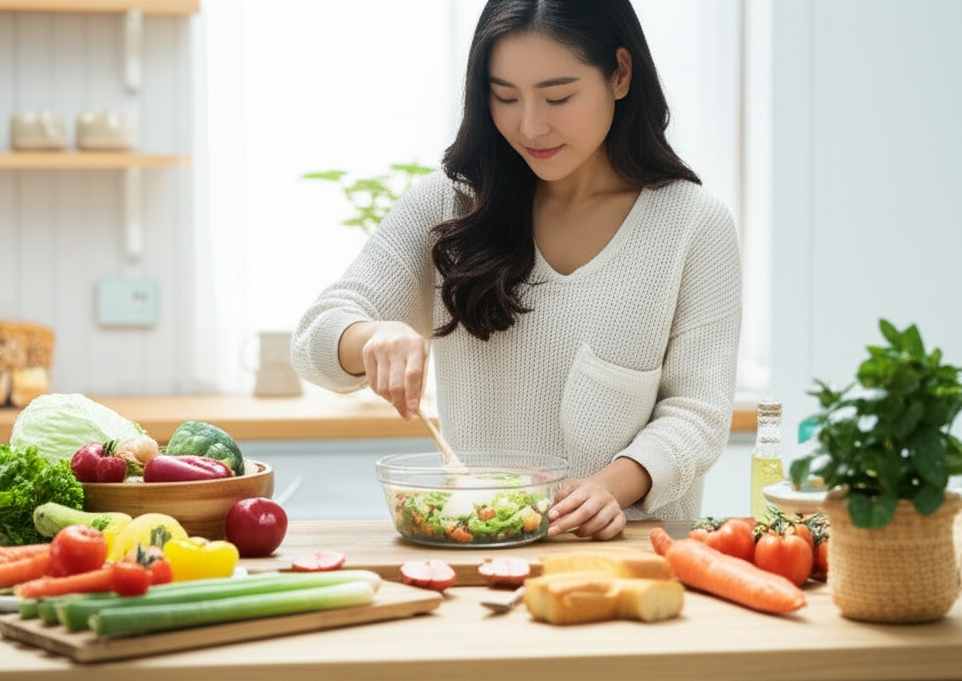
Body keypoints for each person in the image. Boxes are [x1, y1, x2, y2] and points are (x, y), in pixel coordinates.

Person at [291, 0, 741, 540]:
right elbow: (316, 337)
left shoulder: (693, 223)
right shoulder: (449, 206)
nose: (529, 125)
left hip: (630, 549)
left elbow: (698, 413)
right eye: (504, 96)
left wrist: (608, 487)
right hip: (480, 542)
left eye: (558, 96)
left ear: (620, 74)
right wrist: (369, 337)